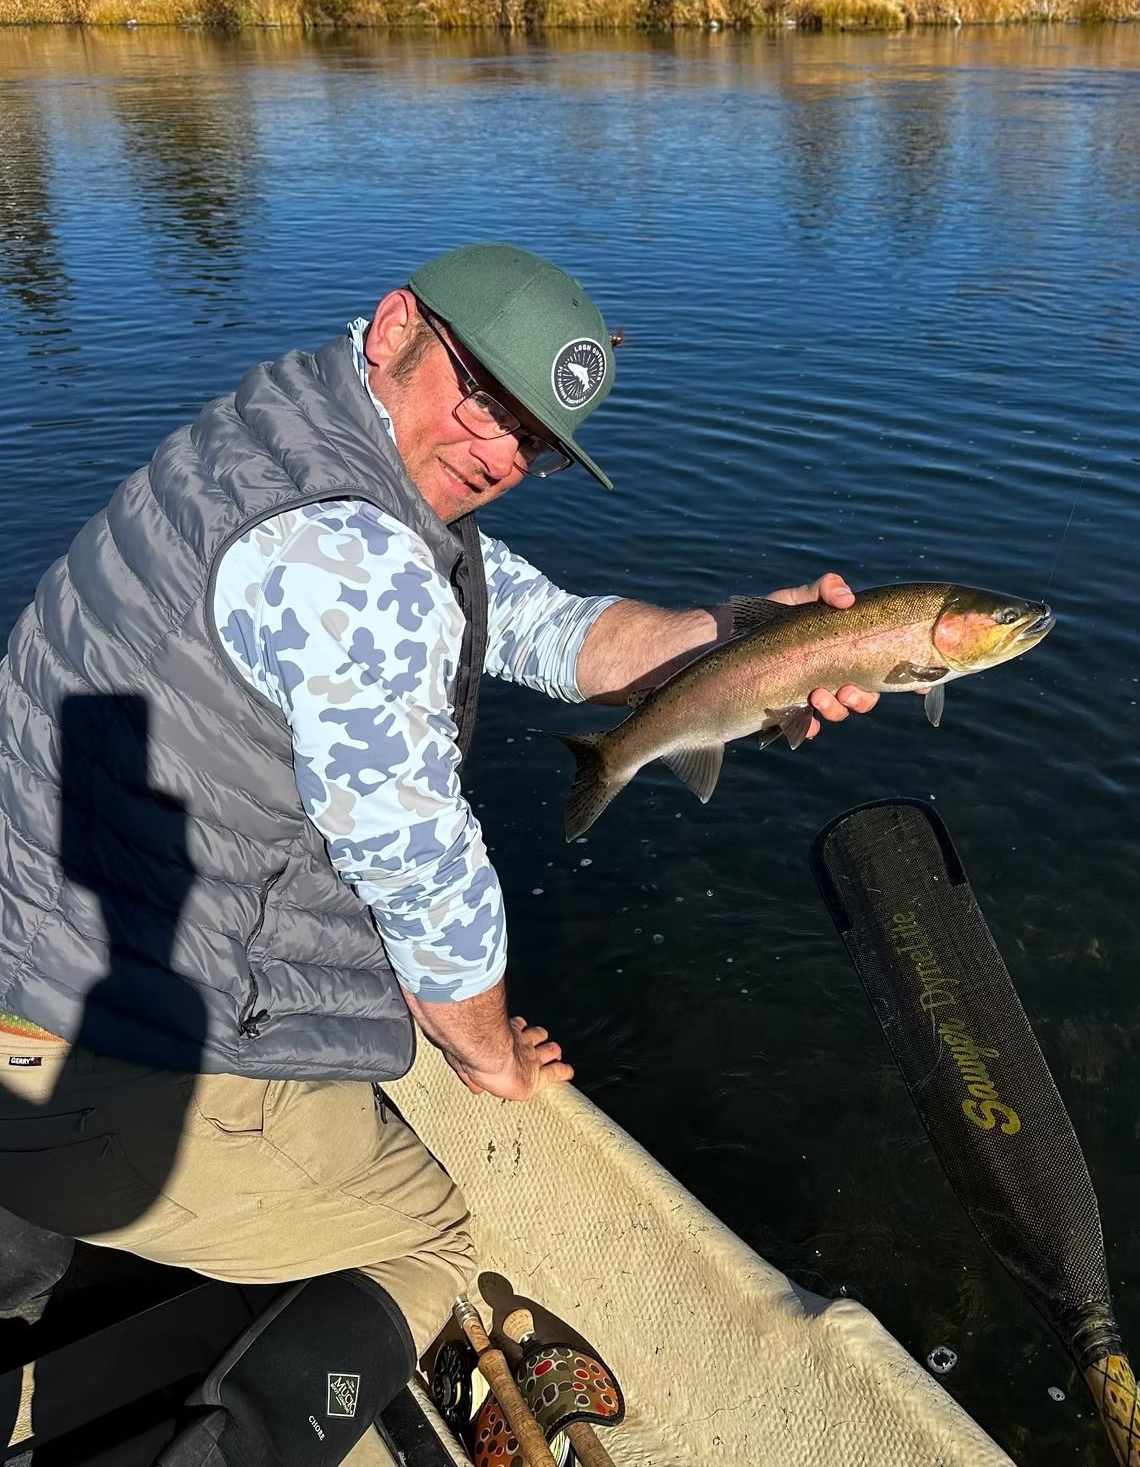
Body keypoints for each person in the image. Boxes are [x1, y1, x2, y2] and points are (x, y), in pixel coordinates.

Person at [0, 243, 878, 1465]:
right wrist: (490, 1051)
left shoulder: (293, 433)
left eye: (534, 442)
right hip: (91, 1045)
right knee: (427, 1242)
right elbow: (424, 875)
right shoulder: (353, 556)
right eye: (484, 397)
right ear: (398, 324)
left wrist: (738, 641)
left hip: (26, 964)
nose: (498, 456)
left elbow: (532, 621)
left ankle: (21, 1248)